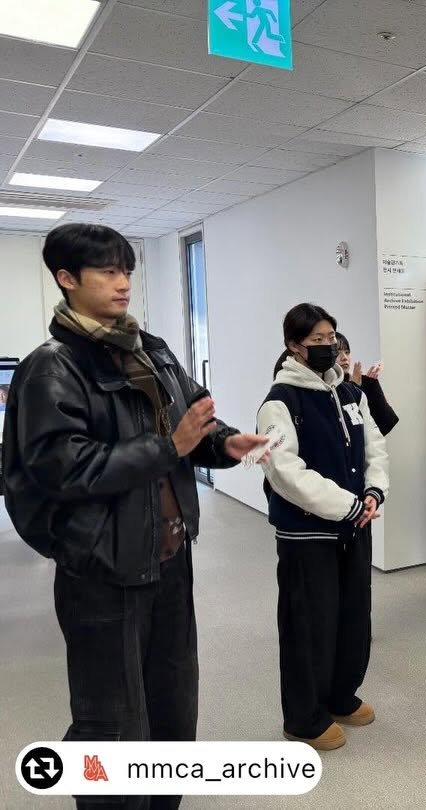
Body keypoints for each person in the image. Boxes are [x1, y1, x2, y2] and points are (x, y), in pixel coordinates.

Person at [1, 223, 268, 810]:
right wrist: (169, 447)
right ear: (67, 280)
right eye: (107, 272)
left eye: (127, 270)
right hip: (102, 568)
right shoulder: (52, 367)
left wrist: (221, 443)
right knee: (110, 721)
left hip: (168, 556)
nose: (123, 283)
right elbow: (61, 469)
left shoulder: (149, 348)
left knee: (173, 703)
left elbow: (190, 416)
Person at [257, 304, 389, 751]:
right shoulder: (279, 402)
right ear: (294, 345)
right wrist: (348, 506)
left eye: (331, 337)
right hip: (307, 535)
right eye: (316, 340)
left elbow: (374, 445)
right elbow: (283, 470)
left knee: (353, 617)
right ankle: (303, 717)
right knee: (309, 626)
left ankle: (340, 696)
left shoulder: (351, 394)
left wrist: (373, 493)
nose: (328, 346)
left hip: (353, 528)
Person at [335, 331, 399, 436]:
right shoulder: (328, 386)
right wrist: (354, 387)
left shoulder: (360, 381)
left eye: (347, 352)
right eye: (338, 353)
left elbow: (385, 424)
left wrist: (370, 388)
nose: (344, 357)